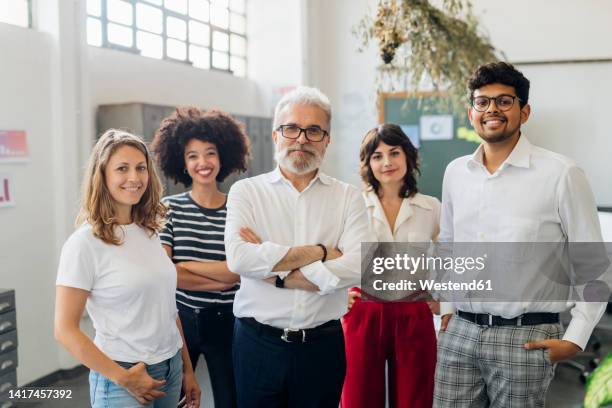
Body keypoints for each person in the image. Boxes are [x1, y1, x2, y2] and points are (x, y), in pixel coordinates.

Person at [433, 62, 606, 407]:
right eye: (482, 102)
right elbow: (448, 245)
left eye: (504, 101)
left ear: (524, 112)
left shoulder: (561, 173)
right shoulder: (456, 173)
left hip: (526, 337)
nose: (491, 110)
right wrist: (446, 309)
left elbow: (593, 262)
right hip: (460, 333)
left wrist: (577, 337)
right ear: (471, 112)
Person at [224, 86, 370, 408]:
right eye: (291, 128)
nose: (301, 138)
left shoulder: (347, 198)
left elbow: (358, 265)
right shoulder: (246, 192)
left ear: (327, 139)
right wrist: (321, 251)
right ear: (276, 135)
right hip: (257, 344)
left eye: (314, 130)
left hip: (322, 346)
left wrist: (275, 271)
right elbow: (239, 259)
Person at [54, 129, 201, 408]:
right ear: (103, 175)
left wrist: (187, 370)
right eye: (122, 168)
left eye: (141, 168)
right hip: (122, 374)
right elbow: (64, 330)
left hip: (169, 368)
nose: (134, 178)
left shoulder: (149, 232)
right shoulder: (85, 243)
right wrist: (122, 378)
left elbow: (168, 309)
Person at [151, 107, 250, 408]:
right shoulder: (169, 208)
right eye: (192, 155)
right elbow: (163, 273)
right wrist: (221, 278)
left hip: (229, 321)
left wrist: (183, 267)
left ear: (223, 157)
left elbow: (241, 270)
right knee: (179, 400)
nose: (202, 163)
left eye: (209, 153)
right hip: (181, 320)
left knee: (230, 399)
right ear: (182, 162)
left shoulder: (239, 207)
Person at [342, 124, 440, 408]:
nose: (386, 162)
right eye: (377, 156)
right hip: (364, 311)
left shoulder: (430, 207)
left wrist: (443, 297)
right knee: (358, 398)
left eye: (394, 153)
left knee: (415, 398)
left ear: (408, 157)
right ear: (368, 164)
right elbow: (332, 253)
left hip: (414, 311)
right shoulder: (352, 205)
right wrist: (337, 294)